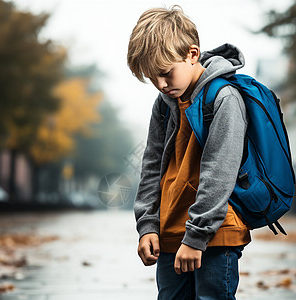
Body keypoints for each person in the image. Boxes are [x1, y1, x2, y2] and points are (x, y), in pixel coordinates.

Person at [127, 5, 251, 300]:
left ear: (192, 54)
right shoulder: (164, 104)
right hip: (170, 232)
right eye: (151, 77)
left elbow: (219, 171)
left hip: (215, 234)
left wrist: (197, 237)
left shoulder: (224, 98)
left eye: (165, 73)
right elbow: (152, 165)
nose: (160, 84)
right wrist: (147, 225)